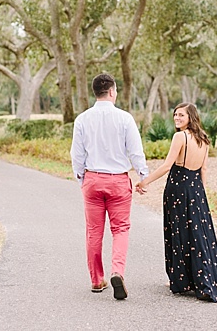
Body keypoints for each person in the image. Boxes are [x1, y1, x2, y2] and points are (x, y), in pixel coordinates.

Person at [135, 102, 217, 302]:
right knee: (199, 233)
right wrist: (201, 193)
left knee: (179, 231)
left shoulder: (180, 137)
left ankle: (183, 279)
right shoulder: (204, 139)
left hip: (178, 187)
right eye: (175, 115)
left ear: (191, 117)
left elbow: (166, 166)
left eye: (181, 115)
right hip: (196, 188)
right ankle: (206, 277)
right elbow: (203, 170)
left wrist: (145, 181)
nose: (177, 118)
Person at [70, 73, 149, 300]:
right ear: (113, 91)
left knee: (94, 231)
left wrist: (81, 179)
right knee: (120, 229)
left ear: (95, 93)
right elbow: (135, 151)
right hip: (118, 181)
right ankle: (117, 271)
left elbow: (77, 155)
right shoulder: (125, 118)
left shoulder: (82, 119)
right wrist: (143, 176)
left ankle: (96, 280)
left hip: (92, 180)